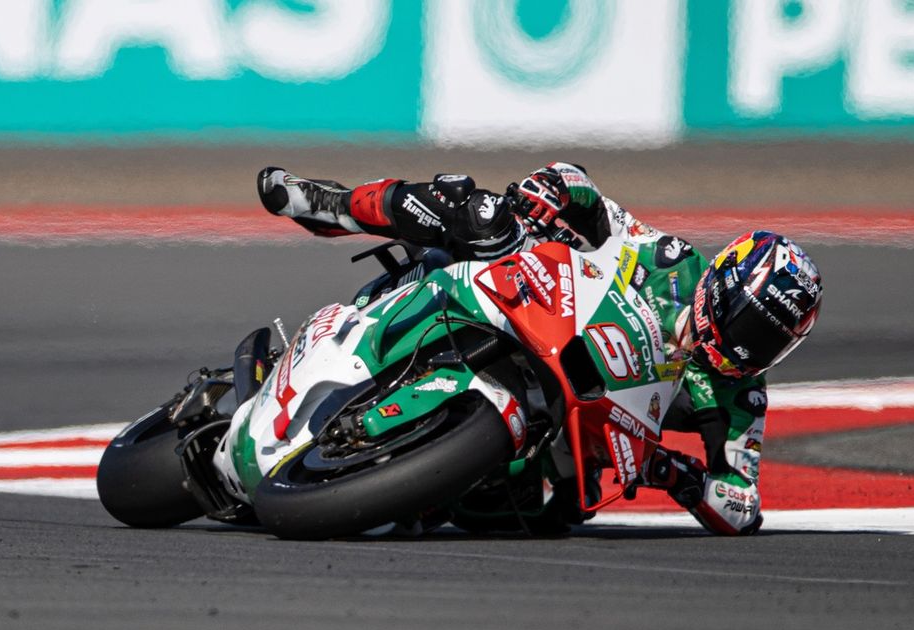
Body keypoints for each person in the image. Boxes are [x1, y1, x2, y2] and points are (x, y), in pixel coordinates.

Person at [256, 163, 823, 536]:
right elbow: (598, 206)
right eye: (749, 323)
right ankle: (330, 203)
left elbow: (741, 506)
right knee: (477, 211)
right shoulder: (670, 261)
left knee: (555, 512)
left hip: (586, 427)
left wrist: (676, 474)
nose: (747, 346)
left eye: (770, 341)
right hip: (547, 313)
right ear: (723, 283)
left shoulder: (741, 396)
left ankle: (417, 480)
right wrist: (553, 189)